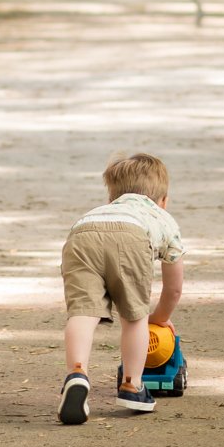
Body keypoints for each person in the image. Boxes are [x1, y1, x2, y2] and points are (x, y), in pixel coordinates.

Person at [58, 151, 184, 425]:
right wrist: (158, 318)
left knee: (83, 312)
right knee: (134, 317)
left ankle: (76, 373)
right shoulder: (163, 219)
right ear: (163, 201)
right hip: (132, 236)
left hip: (81, 234)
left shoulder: (100, 211)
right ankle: (132, 385)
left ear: (111, 198)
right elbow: (173, 289)